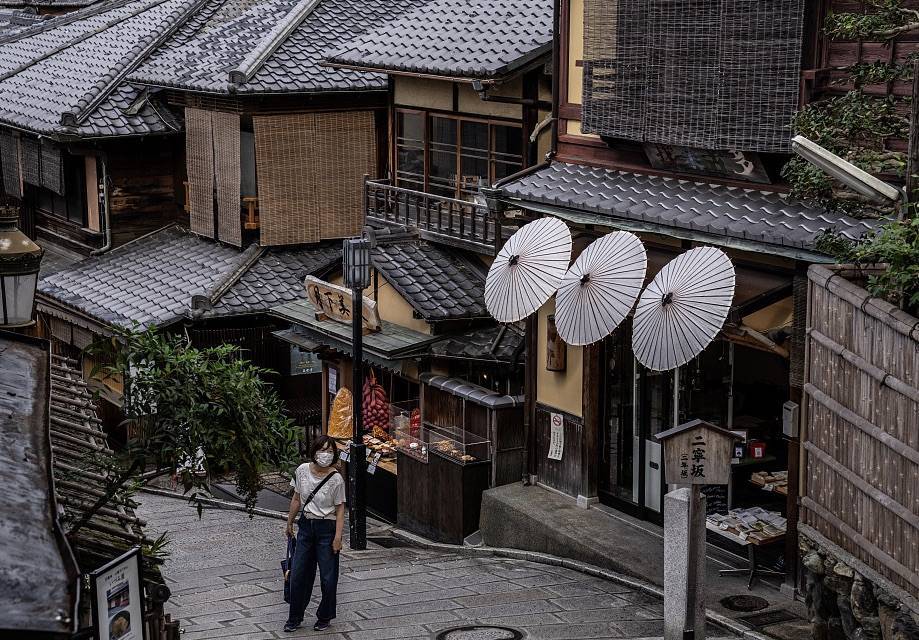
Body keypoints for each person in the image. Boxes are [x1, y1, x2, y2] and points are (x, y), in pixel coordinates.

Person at [284, 435, 345, 633]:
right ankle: (295, 616)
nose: (325, 455)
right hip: (306, 527)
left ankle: (325, 615)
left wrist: (338, 537)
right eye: (322, 450)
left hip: (327, 529)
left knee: (328, 577)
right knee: (298, 573)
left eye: (329, 451)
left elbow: (340, 510)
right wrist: (290, 522)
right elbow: (296, 498)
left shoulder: (336, 479)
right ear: (314, 451)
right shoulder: (302, 471)